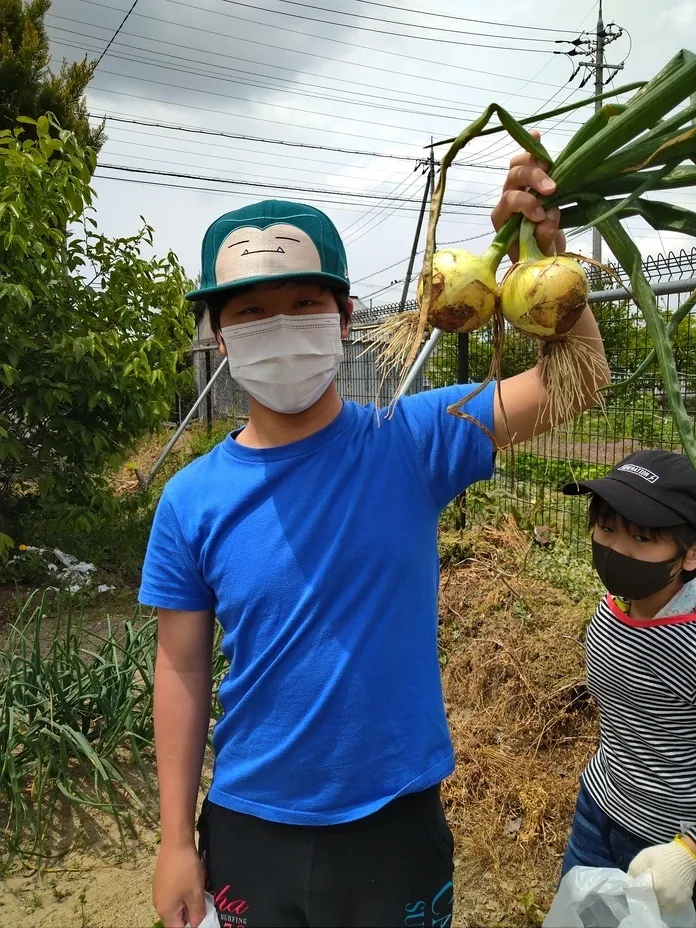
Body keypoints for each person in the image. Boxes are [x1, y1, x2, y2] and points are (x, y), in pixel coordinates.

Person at [140, 141, 609, 928]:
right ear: (219, 335)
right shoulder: (191, 501)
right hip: (250, 821)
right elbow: (181, 669)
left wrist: (543, 260)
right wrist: (173, 842)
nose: (278, 327)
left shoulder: (417, 438)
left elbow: (581, 376)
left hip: (394, 823)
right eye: (250, 312)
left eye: (302, 303)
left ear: (347, 318)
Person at [560, 450, 696, 914]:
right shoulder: (615, 605)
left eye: (642, 537)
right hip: (597, 811)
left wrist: (691, 850)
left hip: (668, 850)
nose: (618, 550)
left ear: (690, 552)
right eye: (608, 527)